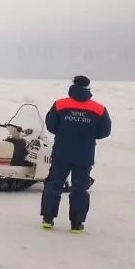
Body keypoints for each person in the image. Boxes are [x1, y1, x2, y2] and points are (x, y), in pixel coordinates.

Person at [40, 75, 111, 232]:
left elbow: (51, 125)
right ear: (88, 88)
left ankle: (48, 218)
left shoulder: (60, 104)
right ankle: (77, 224)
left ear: (73, 86)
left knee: (54, 184)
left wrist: (65, 131)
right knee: (79, 188)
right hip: (84, 155)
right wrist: (88, 134)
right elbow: (105, 131)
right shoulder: (99, 109)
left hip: (61, 152)